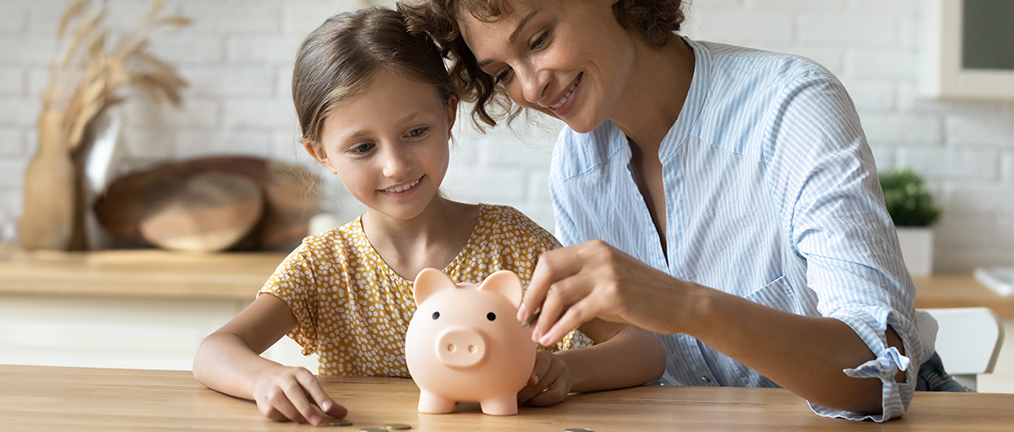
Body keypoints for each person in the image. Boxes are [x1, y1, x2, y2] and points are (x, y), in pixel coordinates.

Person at [401, 0, 950, 422]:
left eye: (540, 38)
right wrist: (561, 371)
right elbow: (642, 357)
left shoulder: (791, 107)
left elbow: (883, 378)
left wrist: (682, 304)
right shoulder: (578, 163)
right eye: (501, 71)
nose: (531, 85)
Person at [191, 7, 664, 426]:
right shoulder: (325, 267)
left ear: (449, 113)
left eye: (416, 131)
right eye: (362, 147)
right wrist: (266, 379)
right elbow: (215, 351)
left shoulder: (513, 244)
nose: (395, 165)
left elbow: (644, 347)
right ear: (322, 156)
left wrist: (567, 370)